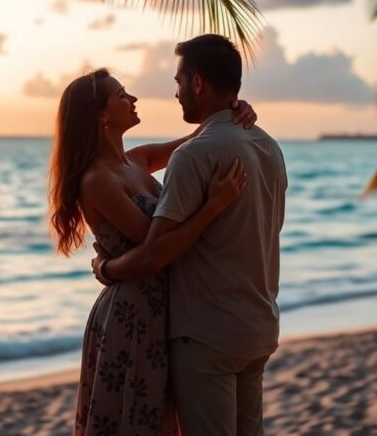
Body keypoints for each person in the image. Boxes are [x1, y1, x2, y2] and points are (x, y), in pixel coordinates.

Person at [93, 35, 287, 436]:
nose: (176, 92)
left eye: (180, 81)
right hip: (259, 322)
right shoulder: (268, 146)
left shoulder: (192, 156)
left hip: (207, 332)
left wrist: (107, 268)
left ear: (198, 83)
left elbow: (157, 251)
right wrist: (235, 112)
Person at [49, 67, 257, 436]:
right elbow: (159, 246)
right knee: (149, 422)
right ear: (101, 115)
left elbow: (198, 139)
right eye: (122, 95)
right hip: (134, 315)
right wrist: (214, 205)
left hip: (165, 306)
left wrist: (235, 112)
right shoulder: (98, 180)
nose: (133, 99)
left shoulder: (134, 161)